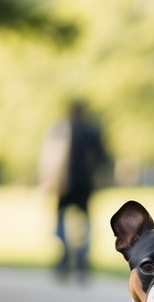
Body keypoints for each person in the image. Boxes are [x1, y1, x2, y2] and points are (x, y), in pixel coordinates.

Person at [42, 101, 107, 281]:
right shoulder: (91, 132)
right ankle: (80, 255)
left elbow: (49, 157)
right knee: (84, 223)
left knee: (61, 221)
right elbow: (102, 157)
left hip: (65, 185)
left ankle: (65, 254)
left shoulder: (60, 131)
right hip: (84, 184)